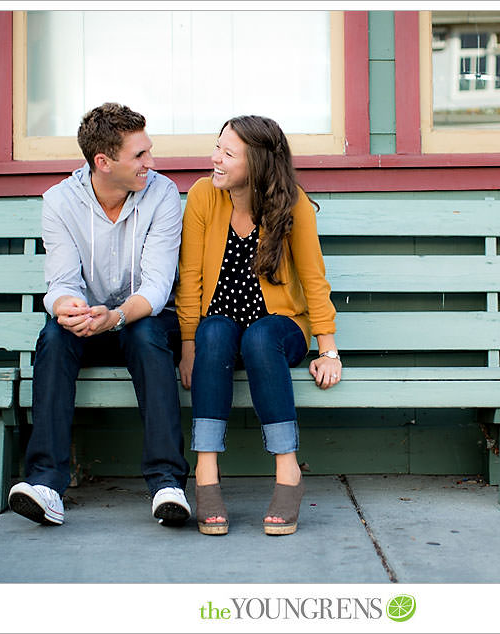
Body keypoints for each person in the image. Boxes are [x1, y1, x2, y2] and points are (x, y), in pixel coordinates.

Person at [8, 103, 191, 527]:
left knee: (147, 337)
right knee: (54, 337)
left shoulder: (161, 193)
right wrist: (67, 308)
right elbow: (61, 282)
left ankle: (167, 484)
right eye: (140, 155)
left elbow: (158, 286)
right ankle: (46, 485)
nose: (152, 162)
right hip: (86, 322)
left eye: (149, 151)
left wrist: (116, 317)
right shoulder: (59, 201)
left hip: (142, 316)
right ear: (103, 162)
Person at [177, 115, 342, 536]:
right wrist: (188, 346)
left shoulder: (293, 204)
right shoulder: (202, 196)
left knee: (261, 335)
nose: (215, 159)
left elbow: (313, 277)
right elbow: (191, 279)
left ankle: (288, 470)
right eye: (217, 147)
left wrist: (327, 349)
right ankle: (205, 471)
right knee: (214, 330)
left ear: (258, 165)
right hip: (221, 328)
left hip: (279, 328)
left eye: (227, 154)